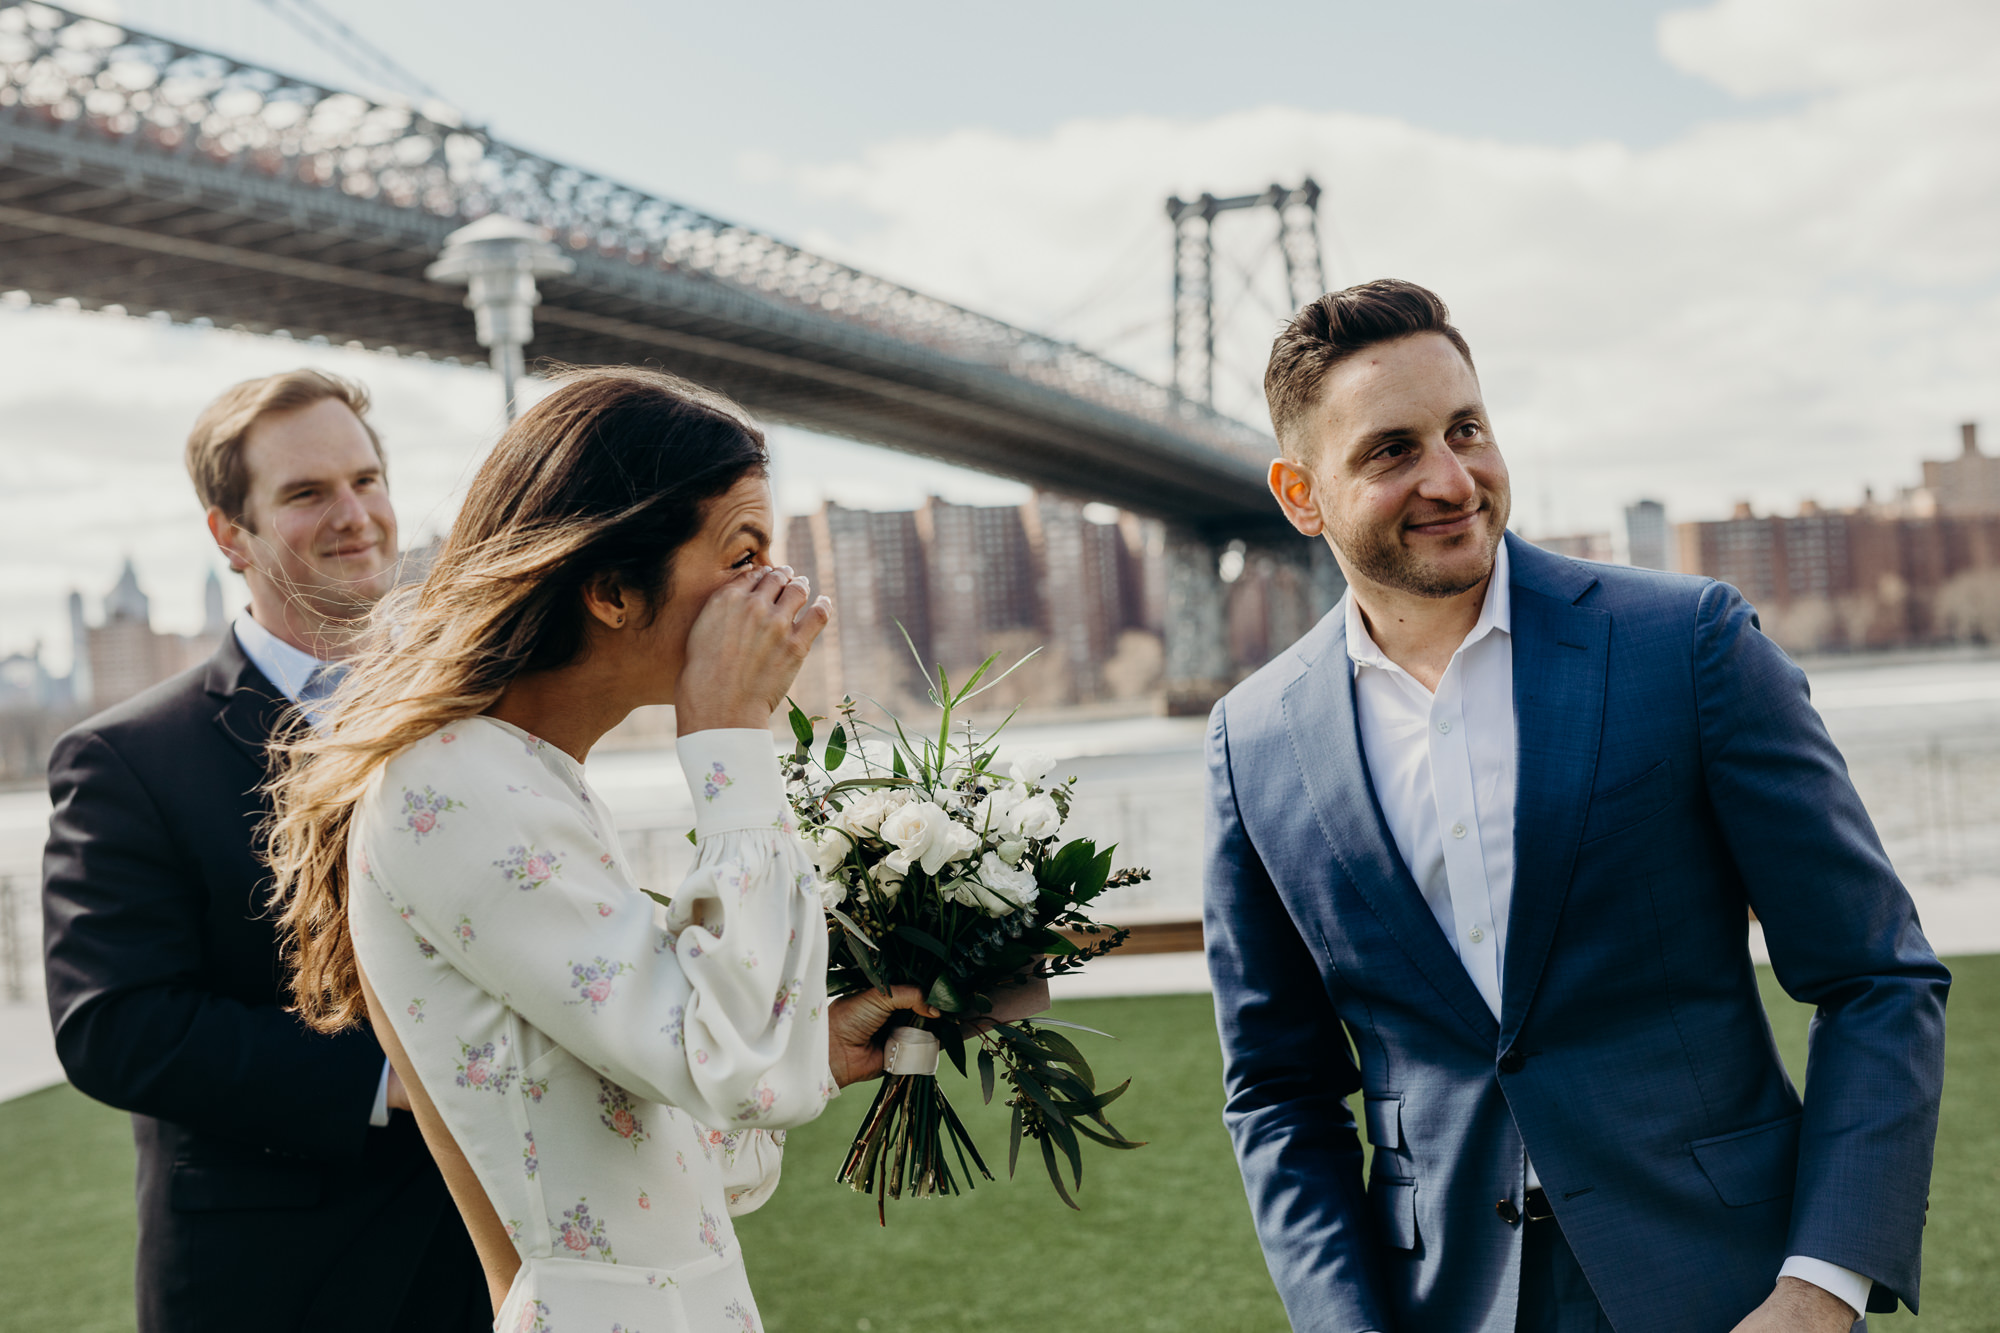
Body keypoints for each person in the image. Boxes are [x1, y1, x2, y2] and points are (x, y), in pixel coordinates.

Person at [1203, 280, 1948, 1333]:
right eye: (1391, 450)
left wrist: (1819, 1287)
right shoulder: (1254, 739)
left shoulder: (1683, 644)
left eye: (1466, 430)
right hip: (1443, 1301)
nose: (1451, 478)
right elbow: (1277, 1090)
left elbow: (1875, 976)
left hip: (1728, 1287)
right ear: (1299, 493)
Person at [265, 366, 930, 1332]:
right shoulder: (453, 785)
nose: (782, 594)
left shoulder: (520, 775)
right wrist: (728, 738)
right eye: (744, 555)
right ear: (614, 588)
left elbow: (644, 1141)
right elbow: (725, 1065)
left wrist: (814, 1046)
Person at [42, 369, 488, 1331]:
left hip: (492, 1250)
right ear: (228, 536)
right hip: (275, 1275)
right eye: (307, 492)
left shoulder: (473, 718)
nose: (356, 514)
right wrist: (390, 1079)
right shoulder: (126, 758)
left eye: (368, 479)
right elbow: (112, 1024)